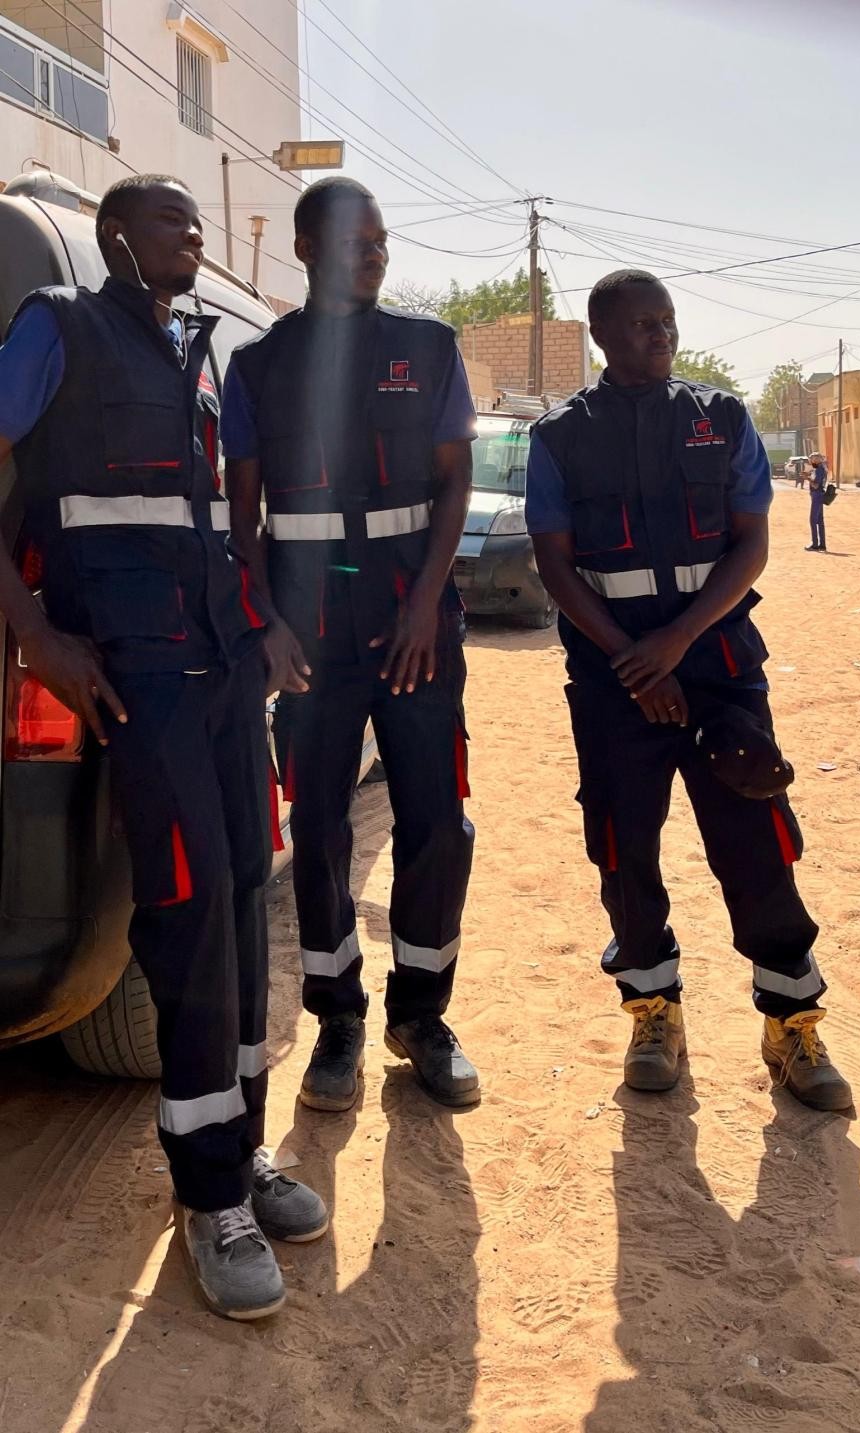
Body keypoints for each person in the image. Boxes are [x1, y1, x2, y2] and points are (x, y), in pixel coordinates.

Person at [0, 175, 328, 1320]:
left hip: (224, 665)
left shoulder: (193, 347)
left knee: (242, 897)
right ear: (114, 237)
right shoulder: (59, 326)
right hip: (138, 673)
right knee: (186, 909)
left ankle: (240, 1147)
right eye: (167, 220)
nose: (191, 233)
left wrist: (265, 621)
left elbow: (215, 519)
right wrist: (35, 632)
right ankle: (208, 1196)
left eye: (194, 220)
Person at [526, 268, 851, 1113]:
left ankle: (790, 1021)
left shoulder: (720, 418)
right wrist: (633, 661)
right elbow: (555, 564)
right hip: (614, 682)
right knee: (622, 848)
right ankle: (652, 1011)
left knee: (756, 838)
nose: (661, 335)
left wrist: (675, 643)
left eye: (666, 320)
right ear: (602, 334)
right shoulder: (560, 436)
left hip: (718, 667)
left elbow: (750, 545)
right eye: (641, 324)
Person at [223, 177, 480, 1112]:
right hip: (309, 626)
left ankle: (421, 1013)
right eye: (352, 242)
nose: (373, 256)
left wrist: (426, 603)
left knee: (436, 821)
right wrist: (267, 622)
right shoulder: (259, 364)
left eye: (380, 241)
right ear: (304, 249)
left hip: (413, 618)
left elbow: (454, 483)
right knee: (320, 825)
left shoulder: (428, 346)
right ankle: (337, 1019)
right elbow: (243, 513)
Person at [806, 451, 828, 551]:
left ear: (817, 460)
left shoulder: (819, 470)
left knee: (813, 520)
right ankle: (822, 544)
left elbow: (816, 485)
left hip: (817, 495)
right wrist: (808, 474)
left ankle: (815, 544)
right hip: (819, 495)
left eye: (812, 459)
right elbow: (813, 469)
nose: (811, 460)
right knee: (820, 521)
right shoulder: (821, 468)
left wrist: (807, 479)